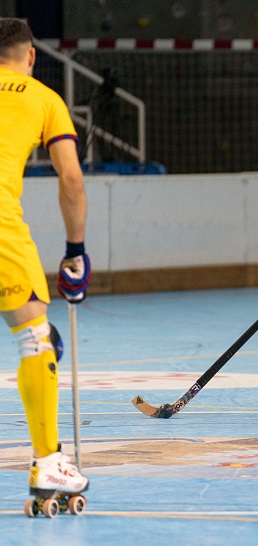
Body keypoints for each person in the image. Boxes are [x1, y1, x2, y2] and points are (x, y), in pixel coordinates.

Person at [0, 19, 91, 497]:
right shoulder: (42, 98)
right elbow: (71, 179)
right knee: (37, 340)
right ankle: (49, 464)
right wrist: (75, 252)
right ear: (30, 56)